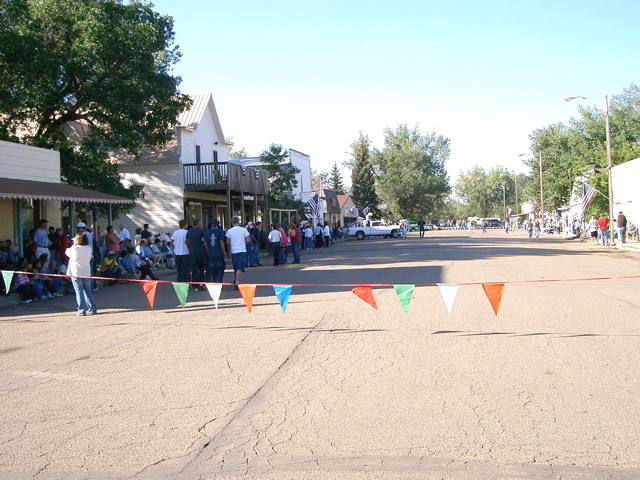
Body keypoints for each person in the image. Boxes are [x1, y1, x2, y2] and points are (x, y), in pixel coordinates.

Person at [66, 233, 97, 316]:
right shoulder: (88, 248)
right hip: (86, 272)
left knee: (79, 291)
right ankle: (92, 308)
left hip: (77, 272)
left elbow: (67, 252)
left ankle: (81, 310)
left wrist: (73, 244)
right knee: (88, 291)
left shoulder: (75, 248)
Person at [225, 216, 250, 287]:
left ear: (232, 222)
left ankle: (236, 279)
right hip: (242, 250)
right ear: (238, 222)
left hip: (234, 250)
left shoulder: (229, 231)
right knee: (240, 267)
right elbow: (248, 240)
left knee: (235, 267)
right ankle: (237, 281)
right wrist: (242, 241)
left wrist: (233, 242)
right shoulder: (244, 230)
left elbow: (227, 242)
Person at [186, 218, 206, 291]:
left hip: (192, 251)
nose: (201, 224)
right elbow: (204, 241)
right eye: (200, 222)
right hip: (200, 251)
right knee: (201, 268)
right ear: (197, 223)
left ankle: (195, 286)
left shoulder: (189, 231)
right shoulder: (201, 231)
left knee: (194, 269)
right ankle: (201, 283)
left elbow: (186, 241)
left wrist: (190, 247)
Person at [204, 218, 226, 283]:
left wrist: (208, 250)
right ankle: (218, 280)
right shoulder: (220, 232)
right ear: (217, 224)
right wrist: (224, 252)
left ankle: (214, 280)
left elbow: (205, 243)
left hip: (211, 253)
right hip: (218, 252)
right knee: (220, 267)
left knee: (212, 268)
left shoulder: (207, 232)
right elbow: (221, 242)